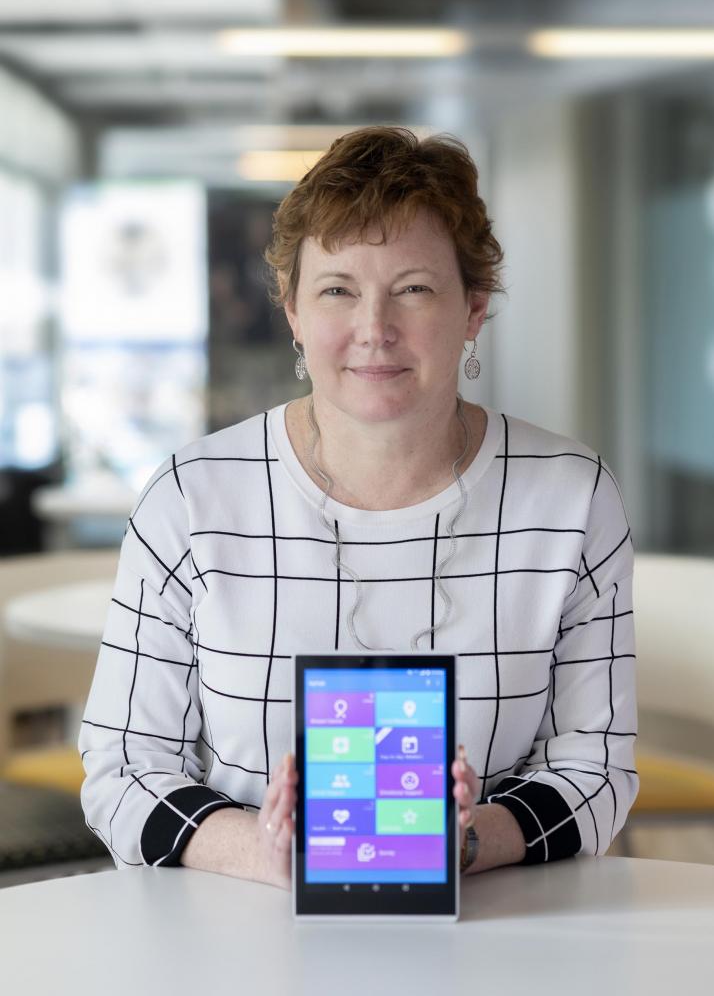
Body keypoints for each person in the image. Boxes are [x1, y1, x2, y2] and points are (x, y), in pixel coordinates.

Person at [78, 126, 638, 889]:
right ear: (293, 314)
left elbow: (597, 766)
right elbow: (122, 767)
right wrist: (273, 853)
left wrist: (467, 841)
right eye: (338, 289)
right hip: (236, 930)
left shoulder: (572, 498)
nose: (375, 330)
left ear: (474, 309)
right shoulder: (191, 495)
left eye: (413, 288)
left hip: (493, 931)